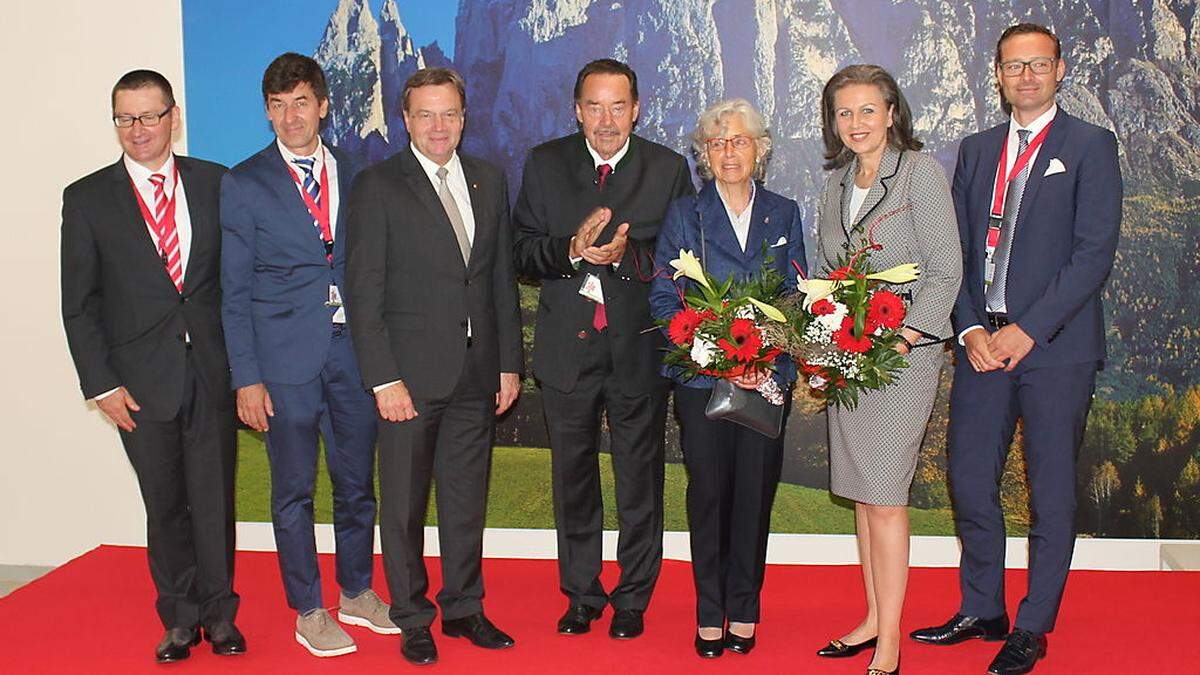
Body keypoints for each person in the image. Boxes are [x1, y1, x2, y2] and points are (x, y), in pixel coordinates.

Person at [910, 23, 1121, 675]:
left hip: (1055, 347)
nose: (1025, 76)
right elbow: (957, 254)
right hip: (980, 345)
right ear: (996, 75)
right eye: (1012, 65)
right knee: (970, 478)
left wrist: (1026, 329)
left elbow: (1093, 255)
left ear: (1059, 71)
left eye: (1038, 64)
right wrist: (970, 328)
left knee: (1050, 492)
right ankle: (983, 607)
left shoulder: (1091, 145)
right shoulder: (975, 151)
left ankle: (1032, 624)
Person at [61, 70, 243, 663]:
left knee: (214, 501)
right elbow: (79, 305)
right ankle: (179, 621)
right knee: (163, 504)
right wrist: (101, 384)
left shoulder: (217, 184)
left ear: (173, 117)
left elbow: (234, 286)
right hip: (138, 385)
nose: (137, 130)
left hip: (212, 373)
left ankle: (220, 617)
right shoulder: (87, 198)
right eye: (125, 118)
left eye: (149, 116)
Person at [343, 67, 524, 666]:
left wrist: (507, 364)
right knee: (402, 504)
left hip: (476, 375)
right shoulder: (377, 186)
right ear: (406, 120)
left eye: (449, 113)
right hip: (408, 382)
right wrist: (382, 377)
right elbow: (362, 291)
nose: (438, 125)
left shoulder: (489, 182)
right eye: (426, 114)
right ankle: (412, 616)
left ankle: (465, 609)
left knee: (466, 499)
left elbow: (497, 279)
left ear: (464, 117)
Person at [512, 58, 694, 639]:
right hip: (568, 351)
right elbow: (519, 251)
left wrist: (627, 256)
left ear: (637, 110)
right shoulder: (545, 164)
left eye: (618, 106)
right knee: (573, 479)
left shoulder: (667, 169)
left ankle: (634, 596)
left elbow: (684, 263)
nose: (606, 119)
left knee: (640, 480)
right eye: (594, 106)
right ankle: (582, 595)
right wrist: (569, 249)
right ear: (577, 110)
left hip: (637, 351)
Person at [220, 53, 390, 658]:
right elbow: (233, 292)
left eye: (300, 103)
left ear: (322, 105)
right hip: (284, 362)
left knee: (356, 485)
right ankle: (309, 609)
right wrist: (247, 378)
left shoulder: (358, 168)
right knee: (294, 491)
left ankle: (357, 591)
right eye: (276, 106)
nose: (289, 117)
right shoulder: (243, 182)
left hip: (353, 354)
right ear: (267, 113)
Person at [812, 65, 963, 675]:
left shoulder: (919, 173)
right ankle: (874, 616)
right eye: (844, 113)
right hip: (850, 358)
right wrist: (824, 347)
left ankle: (891, 640)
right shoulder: (834, 187)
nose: (856, 123)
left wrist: (901, 340)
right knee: (861, 497)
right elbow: (824, 275)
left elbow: (945, 268)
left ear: (892, 113)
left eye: (867, 110)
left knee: (886, 497)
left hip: (901, 360)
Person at [648, 99, 806, 659]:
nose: (728, 152)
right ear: (704, 155)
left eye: (738, 141)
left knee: (754, 497)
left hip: (764, 380)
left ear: (759, 150)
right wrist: (713, 350)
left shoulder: (784, 212)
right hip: (702, 382)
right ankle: (709, 613)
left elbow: (796, 296)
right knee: (710, 494)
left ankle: (745, 610)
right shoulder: (684, 215)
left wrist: (768, 359)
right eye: (716, 143)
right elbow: (666, 296)